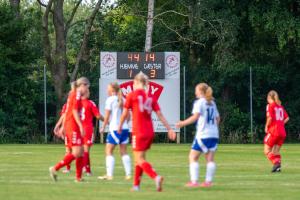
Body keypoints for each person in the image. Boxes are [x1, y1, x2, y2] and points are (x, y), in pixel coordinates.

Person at [118, 72, 176, 192]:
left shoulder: (131, 95)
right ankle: (136, 186)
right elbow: (159, 114)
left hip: (138, 131)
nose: (133, 85)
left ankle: (156, 177)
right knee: (140, 158)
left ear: (137, 82)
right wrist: (169, 128)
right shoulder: (151, 97)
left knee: (138, 159)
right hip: (149, 131)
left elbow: (124, 113)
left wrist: (119, 126)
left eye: (134, 82)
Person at [176, 83, 220, 188]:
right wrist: (213, 128)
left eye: (196, 90)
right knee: (209, 159)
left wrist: (182, 123)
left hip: (203, 134)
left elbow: (195, 117)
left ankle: (194, 182)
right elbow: (218, 119)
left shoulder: (200, 102)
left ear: (200, 91)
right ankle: (208, 182)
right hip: (214, 134)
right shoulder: (212, 103)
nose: (195, 92)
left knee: (193, 157)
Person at [49, 77, 90, 182]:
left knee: (80, 152)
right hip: (73, 126)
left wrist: (62, 126)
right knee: (76, 152)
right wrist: (81, 126)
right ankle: (55, 168)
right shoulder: (76, 94)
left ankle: (78, 178)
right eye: (87, 87)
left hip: (71, 125)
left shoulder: (74, 94)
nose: (87, 90)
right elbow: (75, 111)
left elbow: (68, 111)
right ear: (83, 85)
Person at [98, 82, 131, 181]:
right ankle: (128, 174)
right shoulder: (124, 99)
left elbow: (107, 116)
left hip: (115, 129)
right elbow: (128, 116)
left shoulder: (110, 100)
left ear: (112, 90)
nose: (107, 90)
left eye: (108, 88)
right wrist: (124, 123)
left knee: (108, 151)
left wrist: (103, 127)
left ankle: (109, 175)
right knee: (123, 151)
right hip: (125, 128)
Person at [264, 90, 289, 172]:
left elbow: (270, 118)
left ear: (268, 97)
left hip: (274, 131)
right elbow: (287, 118)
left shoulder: (270, 106)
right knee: (275, 151)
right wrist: (280, 124)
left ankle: (276, 163)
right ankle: (278, 168)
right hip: (282, 132)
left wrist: (267, 126)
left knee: (266, 150)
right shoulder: (280, 106)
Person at [80, 89, 104, 176]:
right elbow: (97, 115)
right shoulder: (90, 103)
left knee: (81, 150)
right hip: (87, 129)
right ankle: (88, 170)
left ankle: (83, 168)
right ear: (85, 93)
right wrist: (106, 121)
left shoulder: (77, 103)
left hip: (78, 128)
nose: (89, 93)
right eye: (88, 91)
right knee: (86, 150)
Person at [53, 103, 72, 173]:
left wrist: (60, 127)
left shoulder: (70, 104)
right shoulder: (66, 105)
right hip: (70, 129)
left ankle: (68, 168)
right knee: (70, 150)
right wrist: (58, 126)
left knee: (73, 151)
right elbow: (64, 116)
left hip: (72, 129)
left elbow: (64, 116)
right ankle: (84, 168)